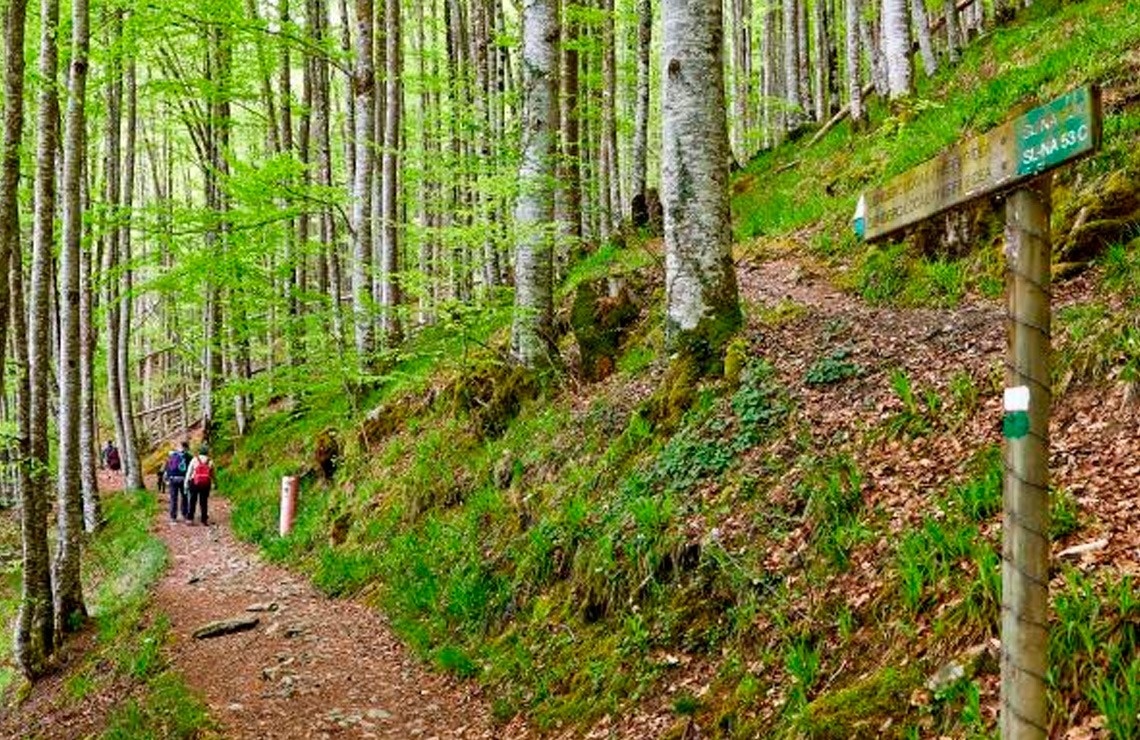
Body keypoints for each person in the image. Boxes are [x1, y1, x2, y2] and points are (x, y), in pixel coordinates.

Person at [185, 444, 215, 526]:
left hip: (194, 482)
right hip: (206, 483)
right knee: (203, 501)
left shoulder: (194, 459)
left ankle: (190, 519)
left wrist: (186, 482)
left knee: (192, 500)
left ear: (200, 451)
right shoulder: (210, 461)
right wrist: (215, 483)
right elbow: (212, 474)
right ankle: (204, 519)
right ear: (207, 452)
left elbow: (189, 472)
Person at [163, 441, 192, 523]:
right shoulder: (188, 456)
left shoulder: (172, 455)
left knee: (173, 498)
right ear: (186, 447)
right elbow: (191, 469)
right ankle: (185, 514)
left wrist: (166, 479)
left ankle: (173, 517)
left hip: (173, 479)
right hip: (184, 479)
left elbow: (167, 468)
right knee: (185, 497)